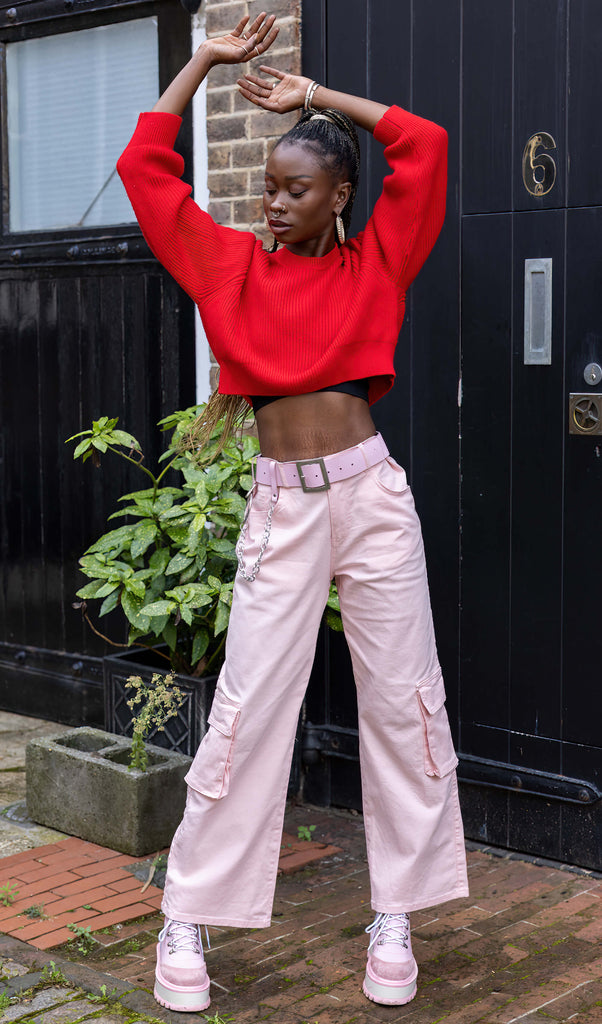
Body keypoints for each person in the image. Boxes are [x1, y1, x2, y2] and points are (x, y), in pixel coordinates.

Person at [117, 11, 469, 1013]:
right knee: (248, 709)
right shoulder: (229, 268)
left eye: (293, 188)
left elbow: (425, 143)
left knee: (405, 701)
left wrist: (314, 96)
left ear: (338, 199)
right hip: (280, 509)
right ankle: (186, 913)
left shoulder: (377, 262)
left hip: (370, 496)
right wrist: (203, 61)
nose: (270, 202)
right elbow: (147, 171)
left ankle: (393, 911)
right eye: (264, 186)